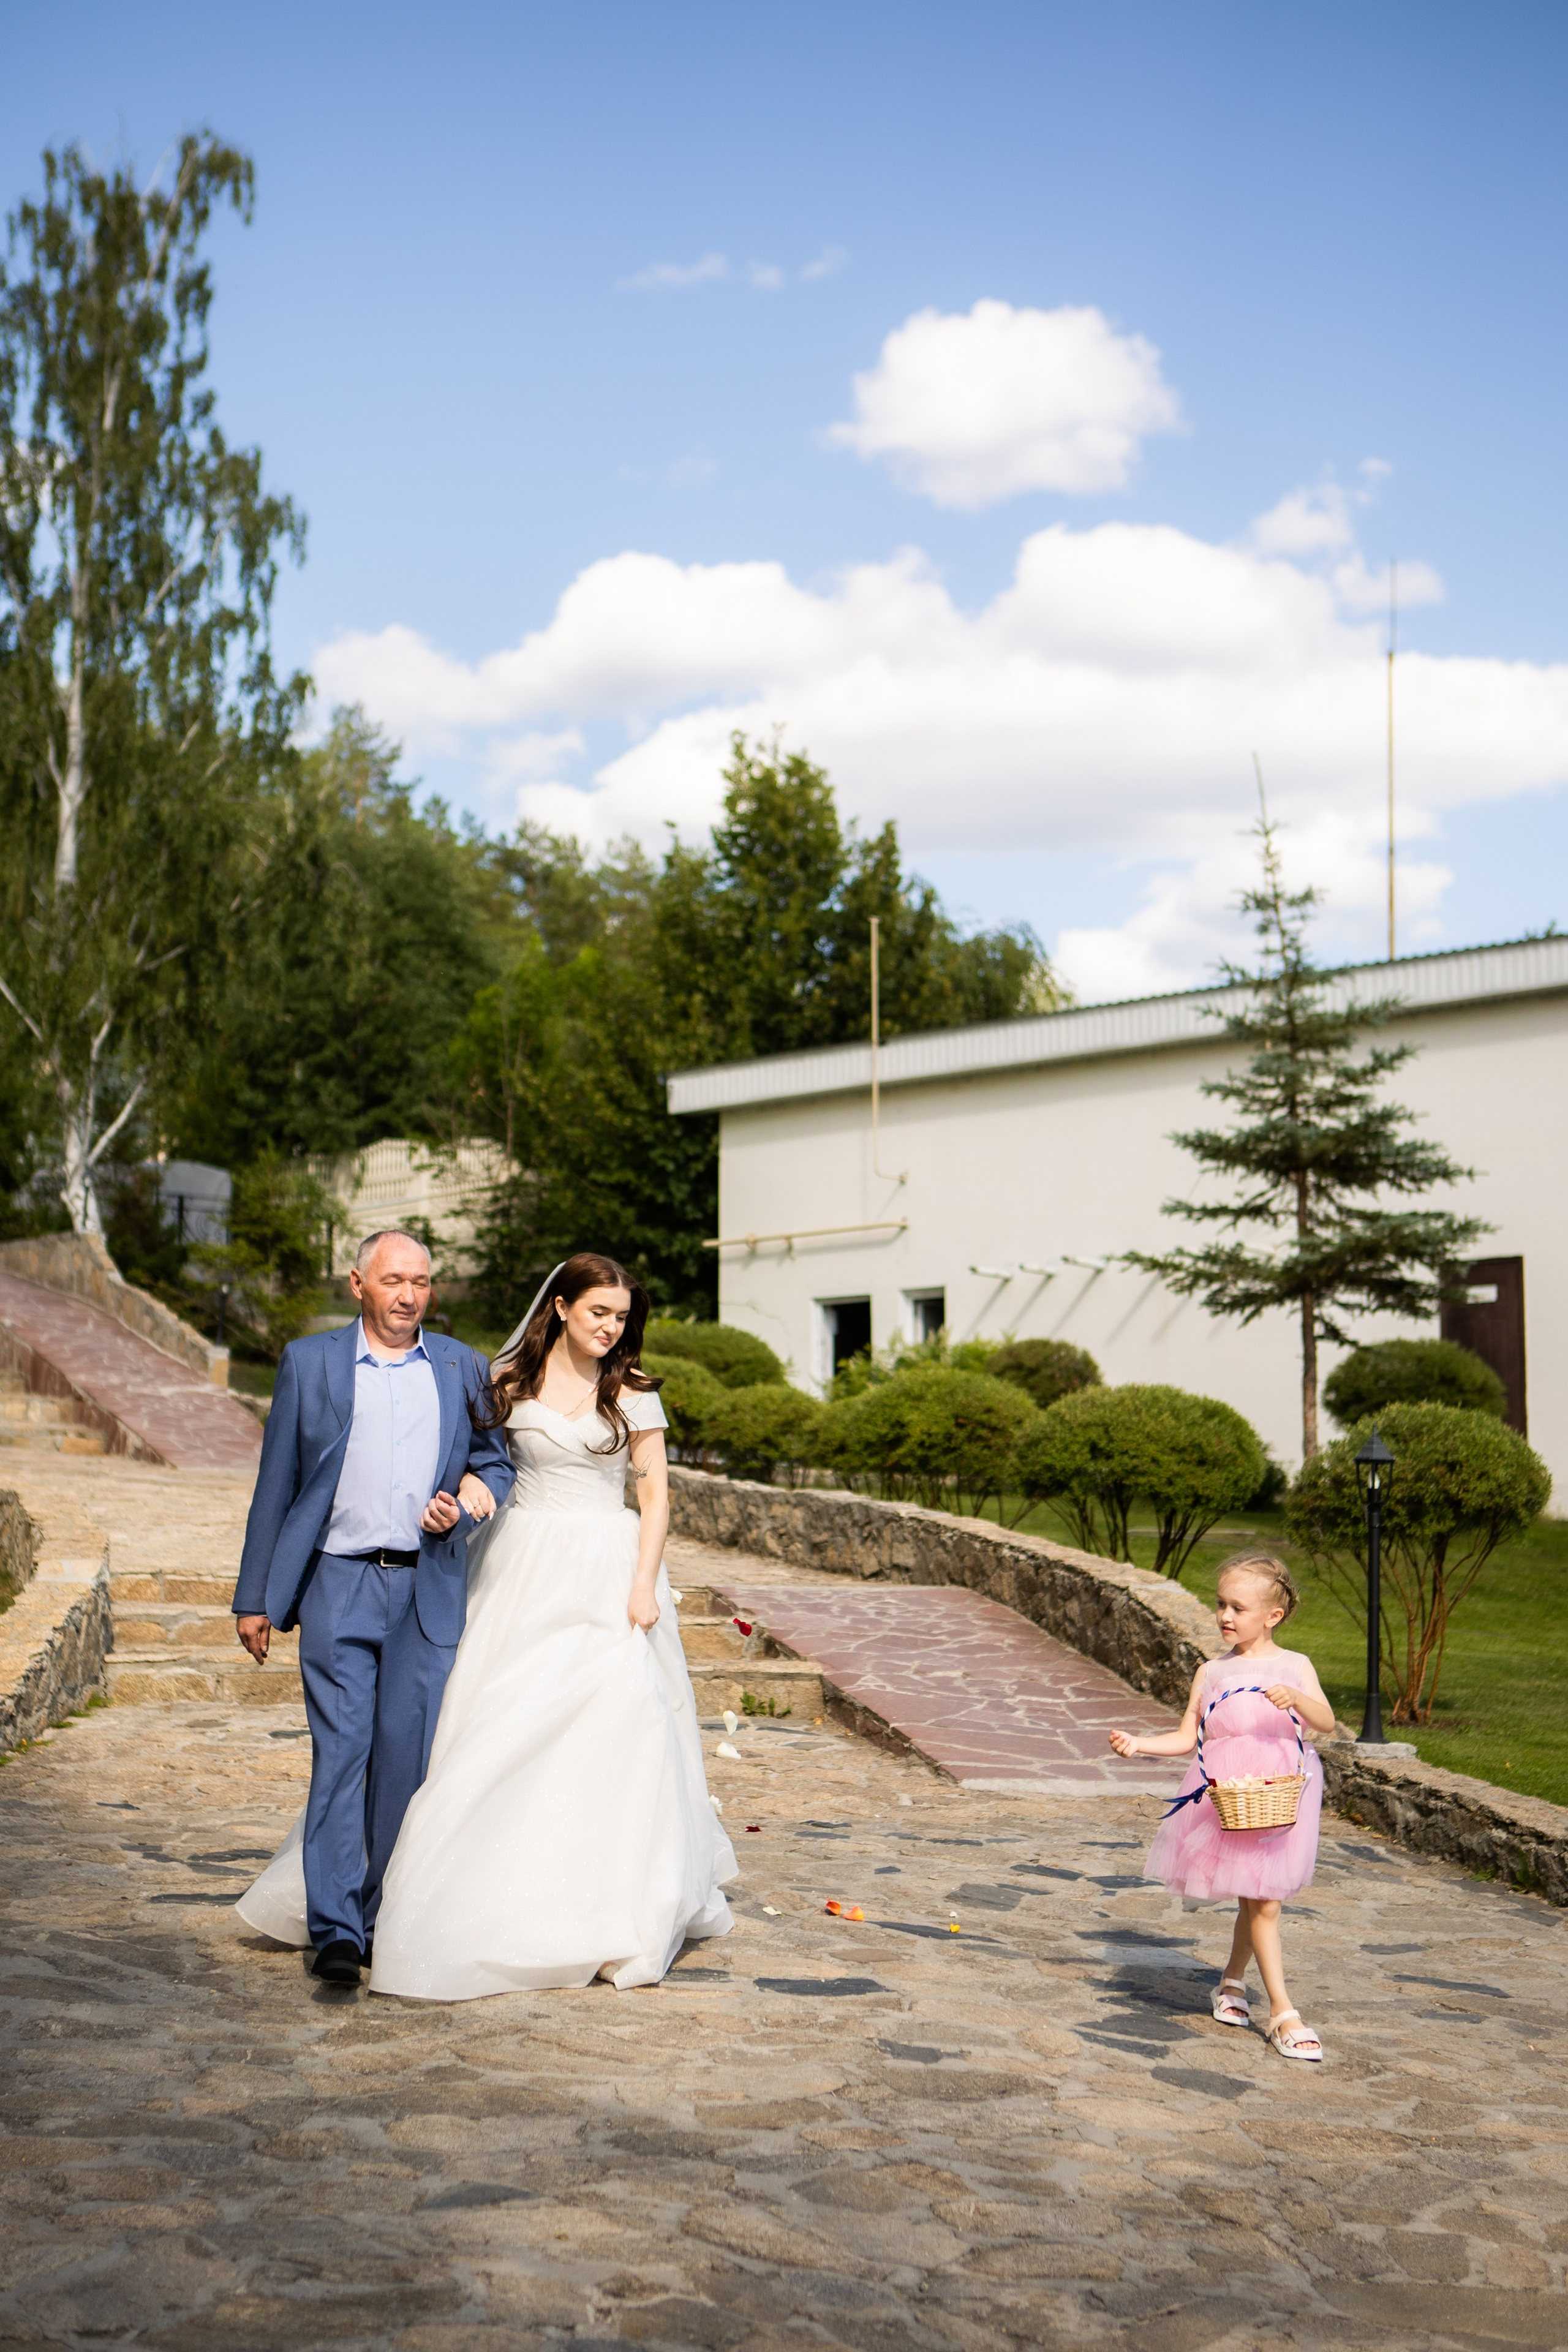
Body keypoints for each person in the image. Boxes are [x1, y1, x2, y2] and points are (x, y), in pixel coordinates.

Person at [364, 1251, 736, 1999]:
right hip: (519, 1562)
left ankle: (612, 1908)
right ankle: (469, 1886)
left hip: (606, 1566)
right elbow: (476, 1461)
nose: (611, 1327)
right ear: (561, 1307)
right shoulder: (508, 1381)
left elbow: (656, 1498)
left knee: (617, 1726)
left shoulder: (631, 1391)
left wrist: (642, 1587)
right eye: (599, 1312)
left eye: (622, 1317)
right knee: (496, 1718)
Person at [232, 1230, 514, 1987]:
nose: (408, 1296)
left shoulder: (463, 1367)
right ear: (358, 1283)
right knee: (341, 1755)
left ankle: (383, 1913)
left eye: (420, 1282)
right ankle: (335, 1931)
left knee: (403, 1765)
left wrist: (470, 1505)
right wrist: (255, 1596)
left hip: (427, 1591)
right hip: (337, 1584)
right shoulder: (309, 1361)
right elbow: (276, 1485)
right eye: (393, 1281)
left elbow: (495, 1462)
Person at [1108, 1552, 1334, 2062]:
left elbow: (1326, 1722)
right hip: (1230, 1793)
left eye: (1238, 1607)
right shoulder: (1211, 1671)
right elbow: (1189, 1736)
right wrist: (1140, 1744)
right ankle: (1267, 2003)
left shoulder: (1295, 1666)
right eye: (1221, 1605)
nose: (1225, 1616)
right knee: (1257, 1899)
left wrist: (1294, 1697)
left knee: (1264, 1900)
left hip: (1281, 1791)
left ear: (1272, 1616)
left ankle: (1264, 2002)